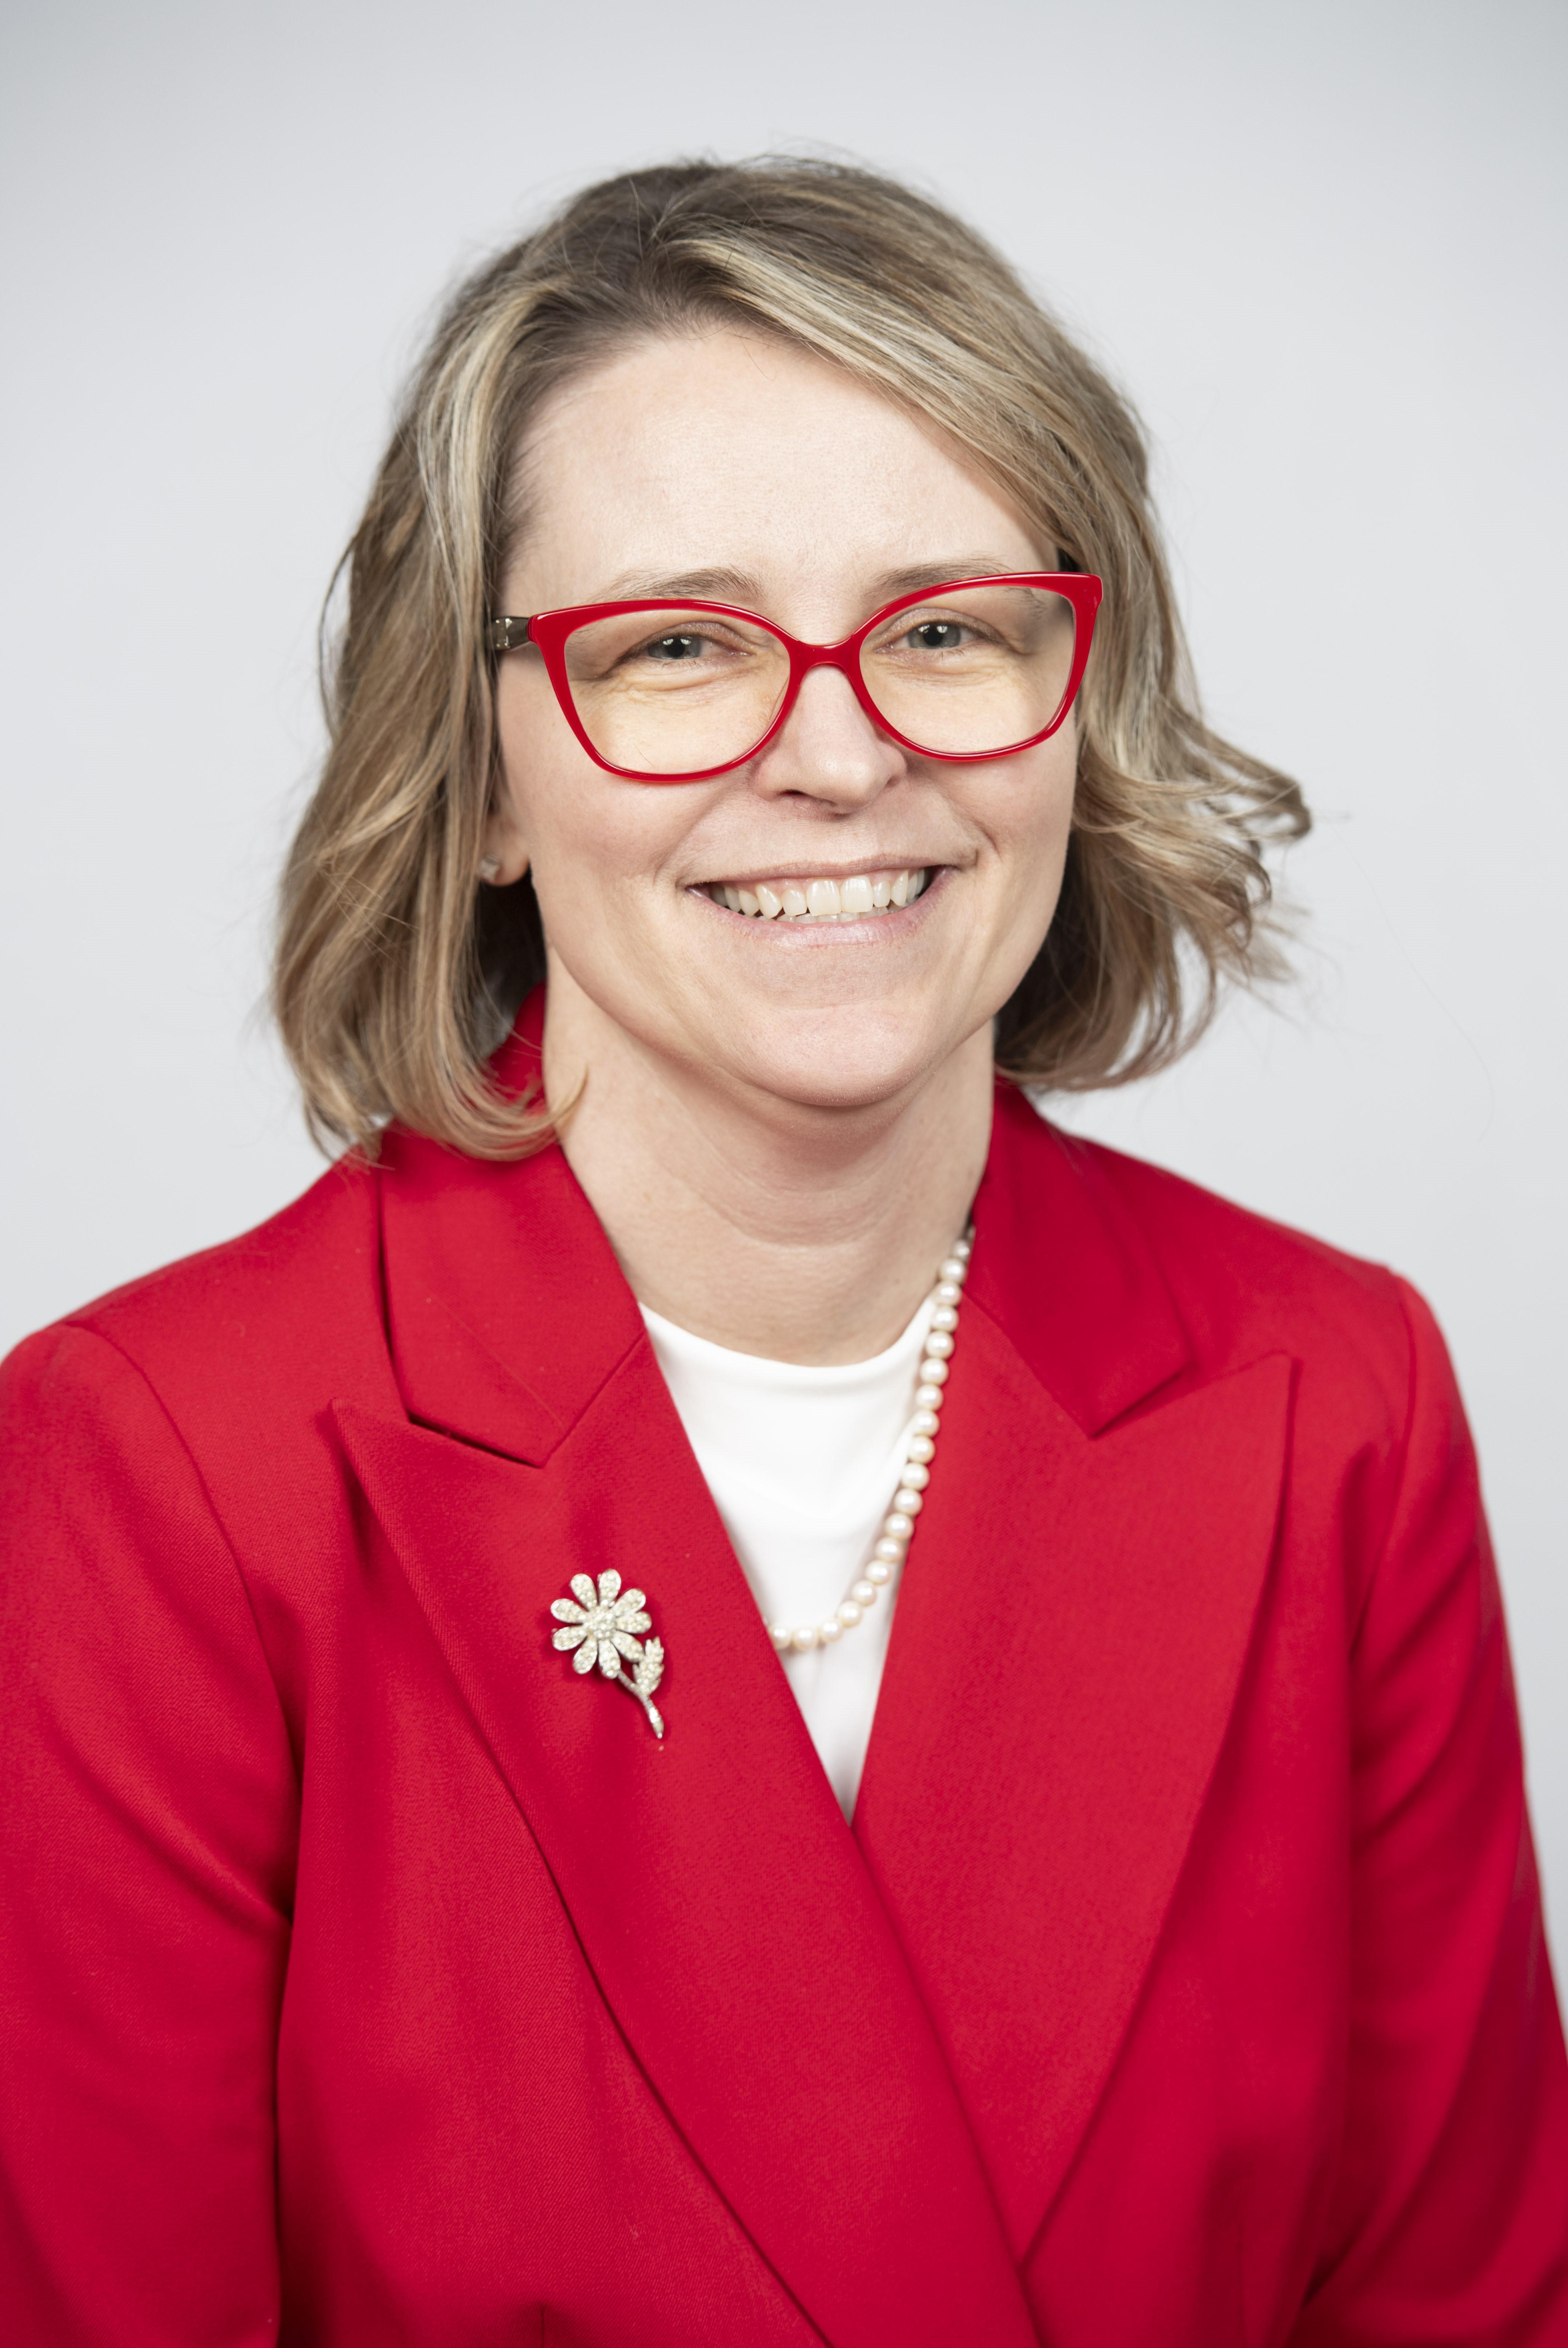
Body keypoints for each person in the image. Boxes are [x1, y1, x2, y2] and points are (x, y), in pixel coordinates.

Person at [1, 157, 1564, 2347]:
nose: (839, 754)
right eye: (677, 647)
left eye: (945, 629)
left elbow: (1464, 2308)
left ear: (1072, 700)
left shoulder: (1333, 1397)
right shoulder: (164, 1469)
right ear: (479, 778)